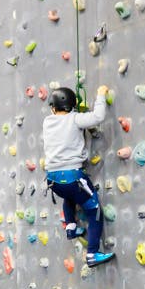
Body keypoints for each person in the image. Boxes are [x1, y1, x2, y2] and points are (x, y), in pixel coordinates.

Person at [42, 85, 114, 267]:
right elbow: (98, 117)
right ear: (71, 106)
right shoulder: (75, 119)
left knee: (69, 196)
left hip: (53, 180)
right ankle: (92, 254)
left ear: (53, 107)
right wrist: (100, 95)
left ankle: (71, 229)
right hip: (74, 176)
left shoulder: (47, 122)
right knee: (94, 209)